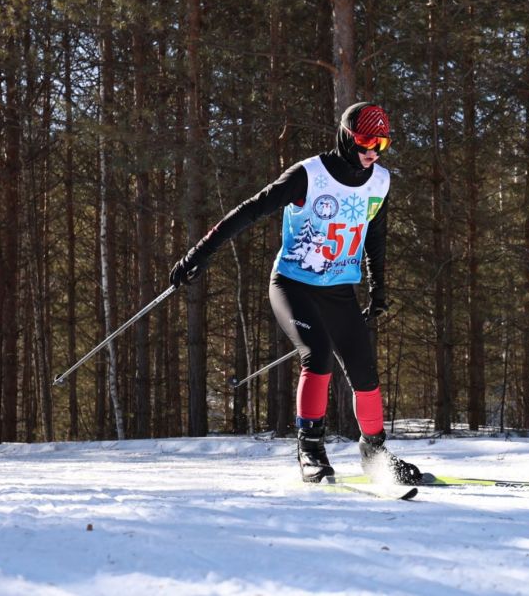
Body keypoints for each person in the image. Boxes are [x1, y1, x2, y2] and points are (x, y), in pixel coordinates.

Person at [169, 102, 422, 485]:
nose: (373, 152)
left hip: (338, 290)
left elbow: (375, 233)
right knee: (317, 355)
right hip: (293, 285)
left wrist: (379, 287)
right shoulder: (309, 175)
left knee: (364, 371)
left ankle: (375, 453)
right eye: (366, 142)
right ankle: (311, 451)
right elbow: (250, 210)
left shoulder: (380, 182)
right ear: (346, 137)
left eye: (381, 144)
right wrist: (199, 253)